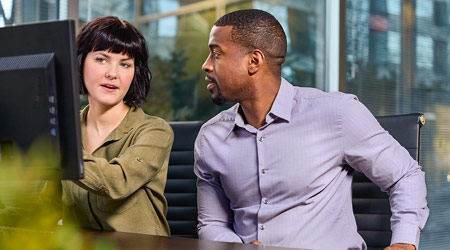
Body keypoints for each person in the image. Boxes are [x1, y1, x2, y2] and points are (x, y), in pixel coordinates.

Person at [194, 9, 429, 250]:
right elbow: (212, 222)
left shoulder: (336, 113)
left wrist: (404, 242)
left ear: (254, 61)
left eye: (216, 54)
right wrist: (236, 246)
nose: (206, 65)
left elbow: (405, 175)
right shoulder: (211, 137)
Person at [42, 16, 173, 235]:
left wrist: (60, 146)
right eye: (101, 59)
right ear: (80, 62)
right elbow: (47, 207)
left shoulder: (155, 131)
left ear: (135, 73)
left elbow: (117, 182)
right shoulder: (65, 129)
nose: (112, 73)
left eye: (125, 64)